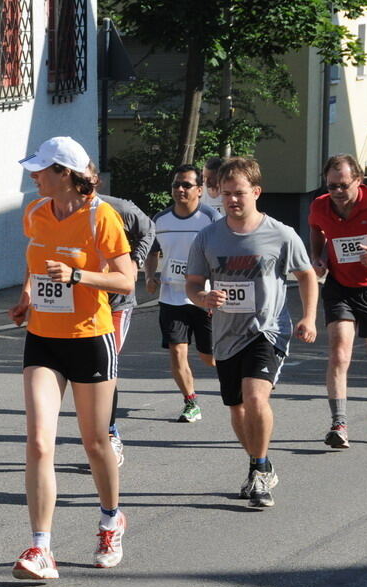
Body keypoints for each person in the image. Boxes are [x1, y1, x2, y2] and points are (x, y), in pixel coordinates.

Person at [8, 137, 135, 579]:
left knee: (95, 443)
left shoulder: (103, 217)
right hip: (43, 338)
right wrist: (27, 294)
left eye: (41, 169)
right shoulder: (36, 213)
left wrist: (79, 275)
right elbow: (35, 260)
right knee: (40, 441)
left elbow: (127, 280)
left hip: (89, 338)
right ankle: (40, 548)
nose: (33, 175)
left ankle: (110, 519)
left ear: (65, 174)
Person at [185, 157, 318, 509]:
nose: (232, 200)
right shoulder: (208, 236)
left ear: (256, 192)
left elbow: (305, 274)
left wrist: (308, 317)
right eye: (226, 194)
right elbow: (193, 283)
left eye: (240, 193)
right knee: (237, 409)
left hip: (268, 329)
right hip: (226, 334)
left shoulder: (280, 233)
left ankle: (259, 471)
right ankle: (260, 461)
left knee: (256, 397)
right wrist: (203, 298)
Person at [308, 154, 367, 448]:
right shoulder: (320, 205)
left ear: (358, 180)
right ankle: (339, 423)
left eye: (343, 186)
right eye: (331, 185)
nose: (336, 192)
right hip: (340, 286)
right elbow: (316, 229)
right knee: (338, 352)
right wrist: (318, 257)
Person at [86, 162, 155, 465]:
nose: (80, 187)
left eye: (86, 180)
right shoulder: (60, 212)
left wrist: (136, 262)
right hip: (83, 306)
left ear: (96, 181)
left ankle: (111, 435)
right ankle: (98, 436)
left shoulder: (119, 208)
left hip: (116, 304)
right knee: (88, 376)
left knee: (106, 370)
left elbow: (148, 229)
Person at [144, 165, 221, 422]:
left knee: (209, 357)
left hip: (205, 297)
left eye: (186, 185)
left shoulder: (211, 219)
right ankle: (190, 402)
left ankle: (242, 378)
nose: (180, 189)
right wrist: (149, 275)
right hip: (171, 297)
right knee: (177, 350)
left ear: (199, 190)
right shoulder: (161, 219)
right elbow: (152, 251)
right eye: (176, 184)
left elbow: (225, 253)